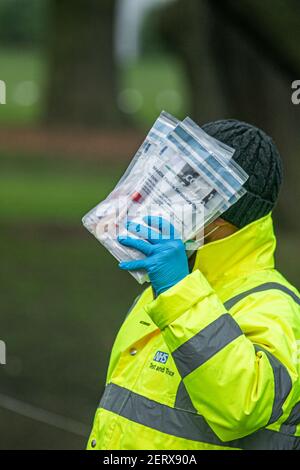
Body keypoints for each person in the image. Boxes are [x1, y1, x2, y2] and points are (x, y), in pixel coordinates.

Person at [87, 119, 300, 450]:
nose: (162, 198)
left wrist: (177, 294)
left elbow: (244, 406)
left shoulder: (274, 305)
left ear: (221, 212)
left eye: (183, 187)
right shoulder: (163, 287)